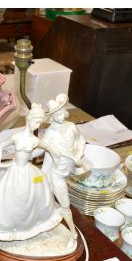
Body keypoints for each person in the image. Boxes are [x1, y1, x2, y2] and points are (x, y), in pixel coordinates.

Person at [0, 103, 63, 241]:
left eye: (39, 122)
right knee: (9, 197)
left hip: (29, 172)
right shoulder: (17, 137)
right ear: (28, 119)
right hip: (15, 170)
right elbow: (1, 145)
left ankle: (28, 225)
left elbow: (49, 148)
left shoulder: (35, 140)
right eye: (35, 121)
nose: (36, 125)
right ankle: (8, 225)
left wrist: (59, 155)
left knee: (32, 197)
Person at [41, 94, 88, 239]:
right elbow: (39, 148)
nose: (61, 116)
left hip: (69, 171)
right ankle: (72, 232)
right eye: (57, 114)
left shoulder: (72, 127)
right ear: (52, 117)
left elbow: (81, 140)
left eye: (62, 112)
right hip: (55, 175)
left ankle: (46, 225)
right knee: (64, 204)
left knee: (49, 203)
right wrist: (24, 144)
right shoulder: (49, 134)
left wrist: (78, 153)